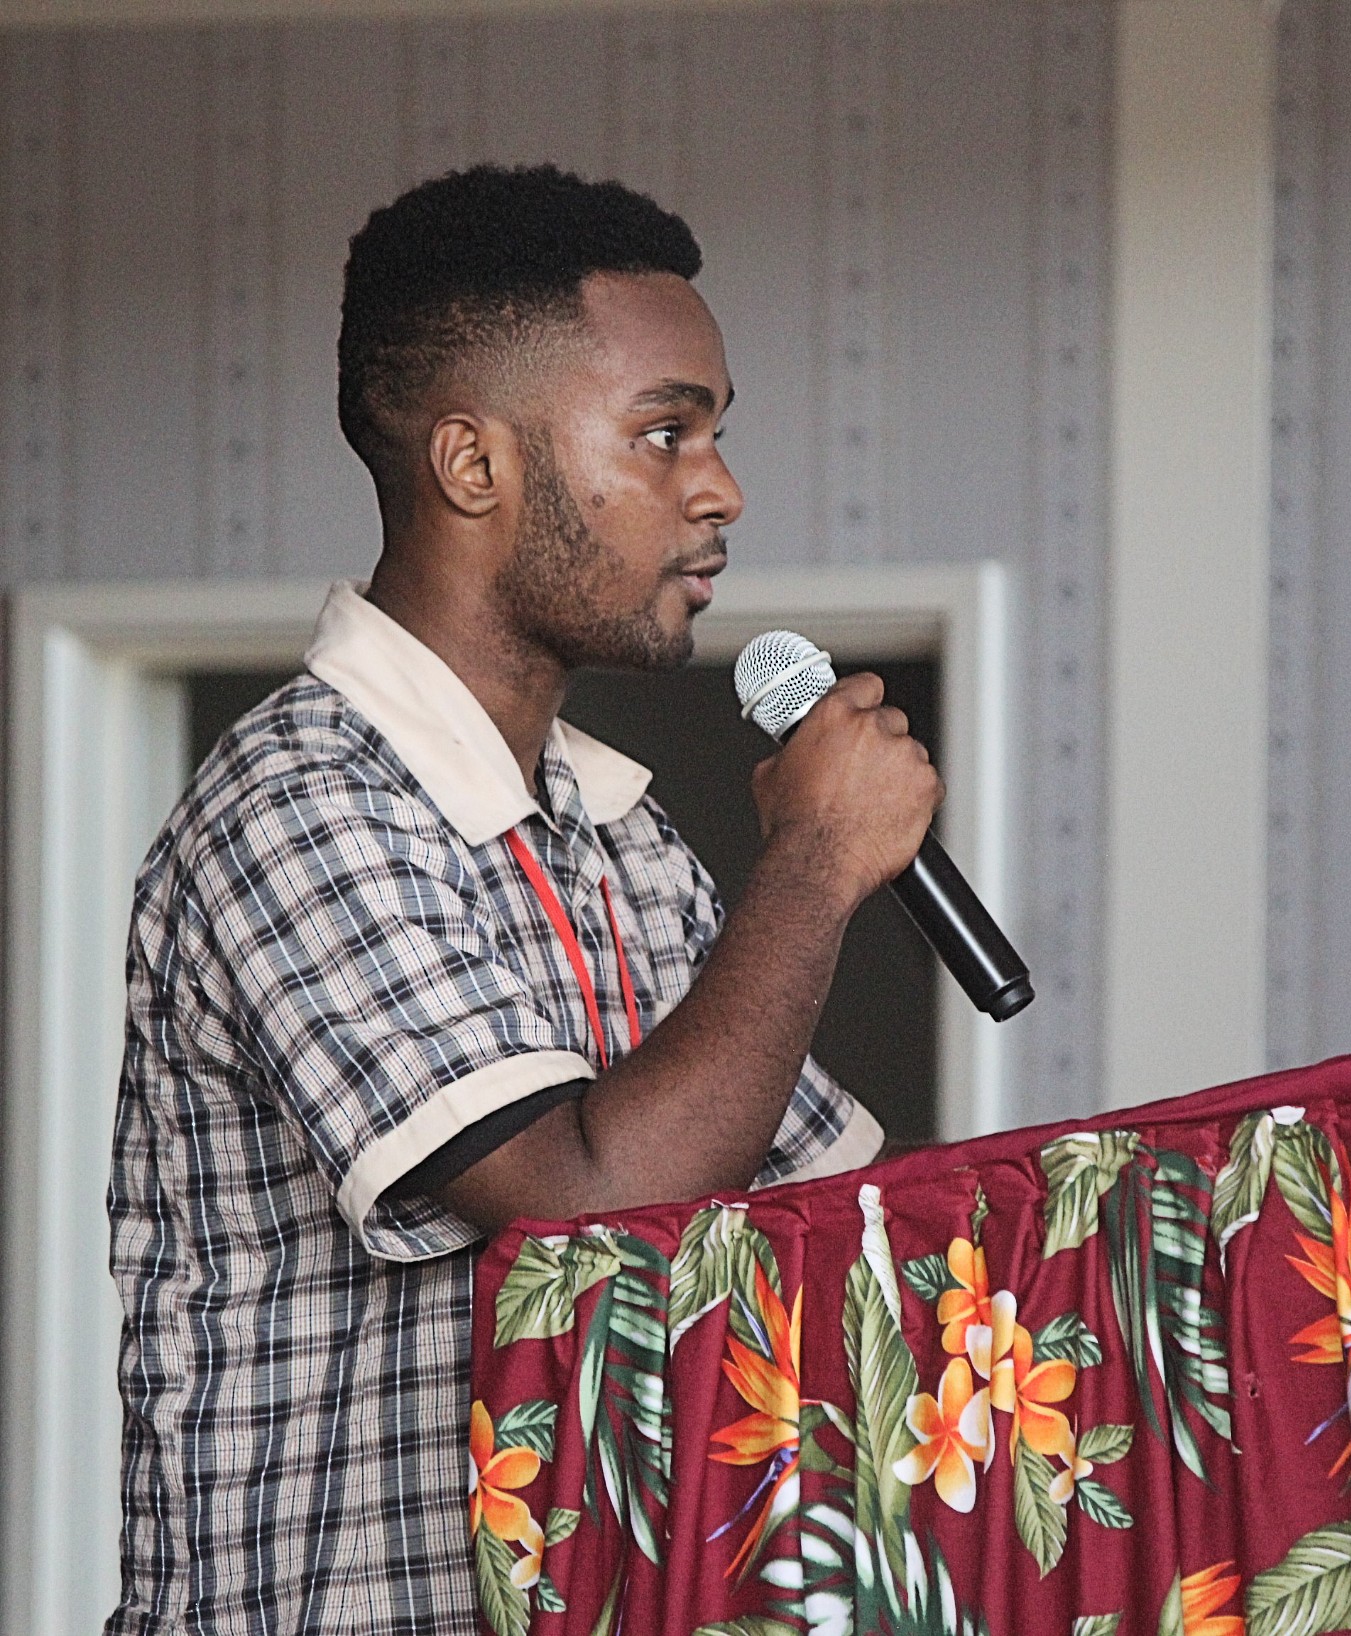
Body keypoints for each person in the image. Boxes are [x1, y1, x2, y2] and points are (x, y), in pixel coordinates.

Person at [107, 164, 942, 1635]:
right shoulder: (302, 802)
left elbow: (840, 1224)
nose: (721, 489)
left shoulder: (615, 834)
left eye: (718, 436)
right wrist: (813, 870)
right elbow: (585, 1207)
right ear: (473, 467)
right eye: (666, 431)